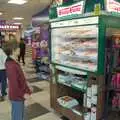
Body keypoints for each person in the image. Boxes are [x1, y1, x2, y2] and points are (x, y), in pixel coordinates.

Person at [4, 45, 32, 120]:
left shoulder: (13, 61)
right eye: (18, 47)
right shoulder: (11, 65)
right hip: (17, 96)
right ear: (13, 50)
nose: (20, 48)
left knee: (20, 115)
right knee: (18, 116)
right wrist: (23, 94)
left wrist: (26, 88)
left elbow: (19, 79)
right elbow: (14, 84)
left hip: (18, 94)